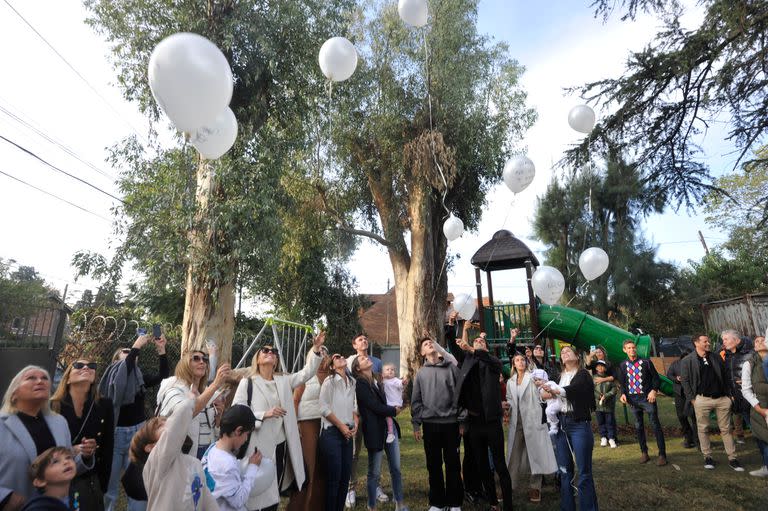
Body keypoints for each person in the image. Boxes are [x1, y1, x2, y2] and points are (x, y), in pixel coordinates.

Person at [232, 332, 326, 511]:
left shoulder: (283, 381)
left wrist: (315, 349)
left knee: (273, 490)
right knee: (254, 489)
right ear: (257, 359)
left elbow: (306, 373)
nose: (270, 352)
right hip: (257, 445)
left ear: (276, 361)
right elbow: (238, 411)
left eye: (273, 351)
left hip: (281, 446)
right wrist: (264, 414)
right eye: (265, 350)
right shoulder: (248, 383)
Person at [0, 365, 95, 511]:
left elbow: (65, 464)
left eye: (44, 378)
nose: (40, 381)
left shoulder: (59, 422)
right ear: (14, 393)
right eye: (31, 378)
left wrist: (84, 456)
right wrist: (5, 497)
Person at [99, 332, 168, 511]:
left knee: (138, 485)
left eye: (132, 356)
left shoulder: (139, 379)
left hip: (137, 434)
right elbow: (123, 374)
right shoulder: (112, 380)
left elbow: (163, 376)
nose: (131, 358)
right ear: (115, 364)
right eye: (126, 356)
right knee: (110, 488)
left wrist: (162, 351)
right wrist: (136, 347)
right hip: (114, 436)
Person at [454, 322, 513, 511]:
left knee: (499, 464)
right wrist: (458, 328)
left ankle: (509, 505)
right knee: (482, 465)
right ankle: (494, 502)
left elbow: (492, 362)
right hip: (474, 423)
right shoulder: (467, 362)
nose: (478, 341)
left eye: (480, 340)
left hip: (492, 423)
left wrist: (472, 348)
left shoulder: (493, 362)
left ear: (485, 347)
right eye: (476, 340)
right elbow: (457, 348)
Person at [129, 395, 218, 510]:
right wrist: (191, 399)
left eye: (167, 421)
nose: (168, 424)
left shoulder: (194, 463)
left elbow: (207, 500)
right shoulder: (156, 464)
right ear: (151, 447)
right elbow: (175, 426)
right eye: (161, 425)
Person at [50, 358, 114, 510]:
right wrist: (73, 450)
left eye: (91, 366)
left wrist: (102, 485)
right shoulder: (52, 406)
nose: (86, 368)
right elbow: (44, 447)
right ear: (67, 378)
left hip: (90, 482)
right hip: (58, 479)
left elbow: (107, 447)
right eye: (79, 365)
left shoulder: (104, 405)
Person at [540, 346, 598, 511]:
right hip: (561, 425)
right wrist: (546, 391)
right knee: (565, 471)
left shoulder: (583, 375)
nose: (564, 353)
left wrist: (554, 390)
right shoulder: (558, 376)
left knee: (584, 472)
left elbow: (575, 390)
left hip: (579, 424)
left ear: (577, 356)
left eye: (568, 351)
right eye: (562, 352)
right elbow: (544, 394)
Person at [411, 336, 464, 511]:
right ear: (422, 353)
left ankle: (454, 502)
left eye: (431, 342)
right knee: (433, 465)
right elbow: (416, 401)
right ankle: (437, 503)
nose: (429, 344)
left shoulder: (451, 369)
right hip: (430, 425)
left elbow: (461, 395)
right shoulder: (421, 374)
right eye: (425, 344)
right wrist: (416, 424)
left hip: (451, 424)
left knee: (453, 464)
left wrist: (462, 421)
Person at [351, 356, 408, 511]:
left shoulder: (377, 380)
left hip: (389, 428)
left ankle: (400, 502)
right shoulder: (360, 384)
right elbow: (373, 405)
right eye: (362, 359)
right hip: (374, 431)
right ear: (358, 368)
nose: (367, 358)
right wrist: (393, 410)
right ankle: (372, 506)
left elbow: (389, 395)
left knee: (396, 468)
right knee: (374, 472)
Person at [679, 334, 743, 471]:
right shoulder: (687, 360)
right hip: (702, 399)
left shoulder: (716, 357)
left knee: (726, 429)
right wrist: (692, 399)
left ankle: (733, 458)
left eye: (708, 341)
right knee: (703, 429)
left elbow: (725, 376)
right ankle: (707, 456)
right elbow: (685, 381)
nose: (708, 343)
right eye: (705, 341)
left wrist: (729, 396)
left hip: (722, 399)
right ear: (696, 343)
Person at [157, 349, 232, 458]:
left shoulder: (207, 393)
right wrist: (215, 384)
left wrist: (218, 417)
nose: (202, 362)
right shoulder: (174, 389)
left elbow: (213, 430)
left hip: (207, 455)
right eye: (196, 358)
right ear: (185, 365)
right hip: (182, 455)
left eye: (205, 359)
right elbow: (186, 412)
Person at [202, 404, 276, 511]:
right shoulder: (227, 463)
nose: (246, 439)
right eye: (246, 434)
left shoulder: (213, 448)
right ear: (238, 431)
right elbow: (239, 500)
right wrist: (253, 467)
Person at [505, 353, 557, 504]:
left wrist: (547, 390)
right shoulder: (510, 382)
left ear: (526, 363)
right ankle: (509, 485)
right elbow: (509, 399)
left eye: (523, 360)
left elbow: (542, 395)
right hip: (517, 422)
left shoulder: (533, 378)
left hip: (533, 421)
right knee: (513, 455)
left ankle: (535, 487)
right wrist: (506, 408)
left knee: (536, 453)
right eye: (517, 360)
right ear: (513, 364)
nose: (520, 362)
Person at [286, 350, 331, 511]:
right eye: (320, 352)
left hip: (328, 424)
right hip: (307, 423)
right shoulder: (304, 376)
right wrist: (295, 424)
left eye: (326, 352)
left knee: (323, 468)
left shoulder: (333, 376)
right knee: (308, 468)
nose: (324, 355)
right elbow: (295, 401)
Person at [345, 334, 386, 508]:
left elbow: (381, 385)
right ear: (354, 345)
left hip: (373, 415)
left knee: (375, 450)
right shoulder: (349, 363)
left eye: (365, 339)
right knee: (354, 452)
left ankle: (376, 486)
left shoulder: (376, 362)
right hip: (355, 413)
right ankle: (350, 489)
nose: (364, 341)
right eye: (360, 340)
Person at [617, 339, 667, 466]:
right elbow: (622, 383)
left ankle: (662, 455)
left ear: (636, 349)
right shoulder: (622, 365)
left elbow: (656, 379)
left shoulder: (646, 362)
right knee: (638, 426)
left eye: (633, 347)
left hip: (647, 399)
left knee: (655, 425)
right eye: (628, 348)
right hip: (633, 400)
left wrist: (654, 391)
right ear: (624, 350)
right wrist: (623, 394)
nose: (632, 350)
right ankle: (644, 452)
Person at [319, 353, 359, 511]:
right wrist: (341, 426)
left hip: (348, 433)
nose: (341, 357)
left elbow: (354, 406)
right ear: (332, 366)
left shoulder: (352, 381)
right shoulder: (329, 381)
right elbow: (323, 407)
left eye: (342, 356)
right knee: (334, 479)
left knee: (344, 478)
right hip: (332, 434)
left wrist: (355, 422)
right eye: (336, 357)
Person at [739, 333, 768, 477]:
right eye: (758, 341)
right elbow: (746, 389)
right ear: (754, 347)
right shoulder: (749, 364)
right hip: (760, 406)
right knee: (764, 438)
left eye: (764, 340)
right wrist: (758, 408)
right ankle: (766, 466)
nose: (761, 342)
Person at [720, 329, 754, 442]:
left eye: (726, 339)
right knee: (756, 431)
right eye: (722, 339)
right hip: (738, 400)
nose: (723, 342)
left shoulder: (751, 354)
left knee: (761, 430)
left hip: (753, 399)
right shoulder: (728, 356)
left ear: (736, 340)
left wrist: (750, 381)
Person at [665, 348, 697, 448]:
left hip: (692, 394)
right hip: (679, 394)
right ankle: (688, 437)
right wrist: (676, 379)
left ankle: (697, 439)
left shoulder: (694, 364)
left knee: (694, 417)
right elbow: (669, 374)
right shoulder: (675, 364)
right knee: (681, 416)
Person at [592, 361, 618, 448]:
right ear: (596, 368)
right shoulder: (593, 378)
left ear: (605, 368)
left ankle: (611, 438)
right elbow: (592, 390)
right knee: (601, 422)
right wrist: (599, 396)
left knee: (609, 422)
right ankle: (603, 437)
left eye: (602, 366)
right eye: (598, 366)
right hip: (598, 406)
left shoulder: (609, 378)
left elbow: (614, 389)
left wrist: (606, 396)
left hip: (608, 405)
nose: (600, 368)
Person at [531, 368, 561, 435]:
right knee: (548, 413)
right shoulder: (539, 388)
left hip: (557, 402)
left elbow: (555, 391)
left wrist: (550, 392)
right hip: (552, 404)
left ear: (545, 379)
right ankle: (553, 428)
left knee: (548, 411)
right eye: (535, 380)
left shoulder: (549, 383)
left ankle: (555, 425)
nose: (537, 381)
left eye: (539, 379)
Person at [381, 364, 406, 444]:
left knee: (388, 417)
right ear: (383, 373)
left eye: (392, 369)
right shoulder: (383, 381)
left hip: (395, 403)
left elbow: (400, 384)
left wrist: (403, 382)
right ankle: (394, 435)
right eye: (387, 369)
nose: (390, 371)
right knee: (388, 418)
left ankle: (391, 433)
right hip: (388, 402)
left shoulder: (395, 380)